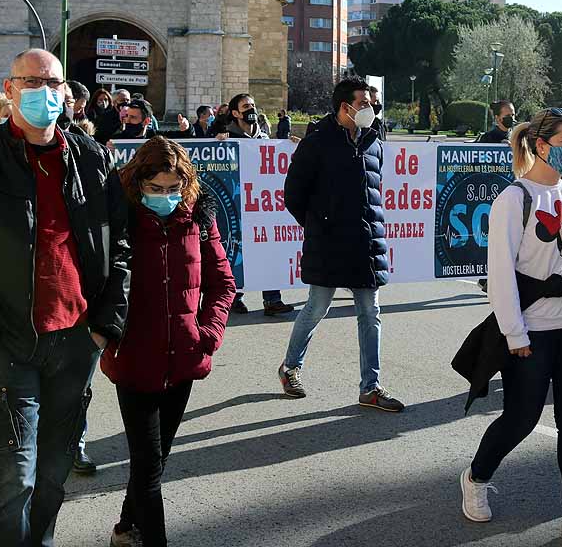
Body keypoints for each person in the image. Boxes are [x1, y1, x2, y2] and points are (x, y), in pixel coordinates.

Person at [0, 48, 130, 546]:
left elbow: (121, 246)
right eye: (33, 81)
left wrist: (105, 327)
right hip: (7, 345)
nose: (46, 92)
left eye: (54, 82)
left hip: (76, 342)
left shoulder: (92, 156)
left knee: (51, 481)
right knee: (12, 482)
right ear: (10, 87)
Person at [460, 108, 562, 547]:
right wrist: (515, 334)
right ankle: (476, 476)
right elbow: (499, 275)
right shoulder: (514, 199)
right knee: (521, 418)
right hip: (535, 330)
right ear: (541, 145)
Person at [101, 137, 235, 547]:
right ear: (138, 183)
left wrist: (208, 334)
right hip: (134, 359)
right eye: (155, 189)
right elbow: (98, 283)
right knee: (148, 466)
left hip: (183, 357)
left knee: (154, 462)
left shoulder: (199, 218)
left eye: (173, 189)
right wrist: (108, 331)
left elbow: (222, 283)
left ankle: (126, 527)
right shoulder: (118, 220)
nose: (165, 197)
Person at [277, 78, 403, 411]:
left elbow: (374, 191)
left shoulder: (374, 140)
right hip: (328, 243)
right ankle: (290, 368)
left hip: (366, 243)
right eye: (363, 102)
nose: (370, 108)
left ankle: (371, 387)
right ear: (344, 107)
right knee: (317, 308)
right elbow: (294, 195)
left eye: (370, 102)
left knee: (370, 313)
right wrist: (320, 225)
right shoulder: (317, 143)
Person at [219, 93, 294, 316]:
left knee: (267, 250)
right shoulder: (227, 137)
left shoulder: (264, 135)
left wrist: (289, 147)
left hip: (261, 205)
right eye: (245, 106)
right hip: (238, 204)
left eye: (252, 104)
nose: (251, 109)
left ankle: (272, 299)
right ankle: (234, 297)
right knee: (238, 251)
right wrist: (217, 143)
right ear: (235, 113)